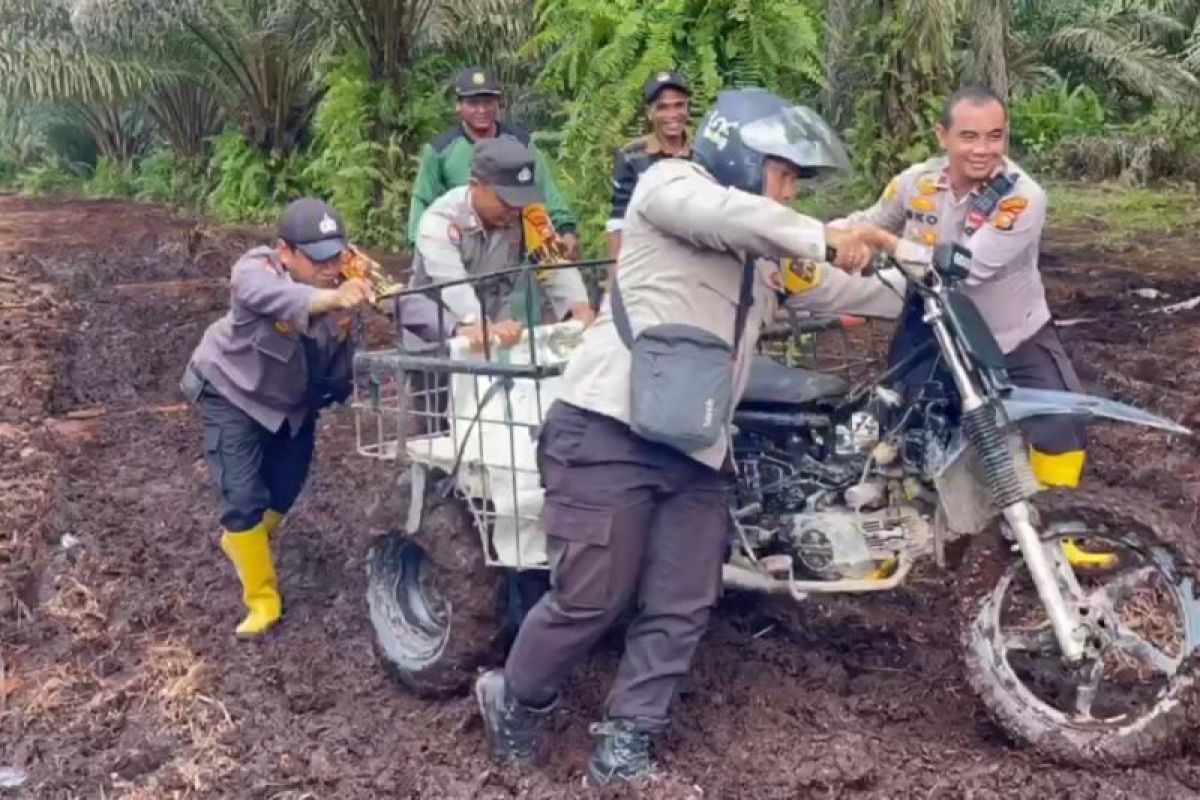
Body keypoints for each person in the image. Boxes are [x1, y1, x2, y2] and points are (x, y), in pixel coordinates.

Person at [474, 88, 918, 787]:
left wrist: (931, 282)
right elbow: (733, 217)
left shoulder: (767, 254)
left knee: (683, 602)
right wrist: (822, 231)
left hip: (697, 447)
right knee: (592, 598)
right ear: (741, 155)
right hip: (607, 429)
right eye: (784, 173)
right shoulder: (671, 186)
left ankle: (626, 745)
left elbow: (842, 288)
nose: (791, 191)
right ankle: (516, 697)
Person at [180, 199, 441, 637]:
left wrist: (465, 331)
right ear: (286, 252)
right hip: (233, 391)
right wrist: (331, 297)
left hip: (293, 400)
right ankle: (262, 600)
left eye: (335, 255)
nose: (330, 267)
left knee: (284, 490)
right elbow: (273, 296)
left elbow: (404, 304)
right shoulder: (255, 269)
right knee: (243, 498)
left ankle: (246, 544)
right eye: (317, 258)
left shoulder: (352, 268)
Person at [832, 84, 1088, 490]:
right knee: (904, 418)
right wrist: (808, 241)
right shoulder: (916, 183)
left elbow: (967, 270)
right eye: (969, 136)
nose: (983, 149)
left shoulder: (1022, 198)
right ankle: (907, 513)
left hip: (1009, 332)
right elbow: (869, 219)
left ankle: (1057, 526)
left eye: (995, 136)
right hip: (930, 324)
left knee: (1061, 420)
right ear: (942, 136)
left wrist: (882, 242)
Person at [409, 135, 595, 349]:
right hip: (437, 336)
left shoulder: (526, 213)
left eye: (521, 199)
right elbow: (453, 287)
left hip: (495, 333)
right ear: (475, 185)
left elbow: (552, 263)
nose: (514, 210)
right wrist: (478, 323)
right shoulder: (440, 221)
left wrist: (577, 306)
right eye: (506, 200)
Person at [406, 67, 579, 259]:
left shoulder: (520, 143)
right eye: (473, 103)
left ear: (497, 103)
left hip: (518, 242)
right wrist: (419, 246)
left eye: (488, 102)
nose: (482, 110)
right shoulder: (440, 150)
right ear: (458, 105)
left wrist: (566, 228)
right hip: (463, 243)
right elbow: (422, 200)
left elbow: (545, 187)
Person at [605, 70, 692, 266]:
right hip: (649, 262)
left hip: (696, 261)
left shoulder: (703, 153)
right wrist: (613, 289)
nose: (672, 115)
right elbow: (618, 221)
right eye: (662, 108)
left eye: (679, 105)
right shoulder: (631, 156)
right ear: (650, 112)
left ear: (687, 107)